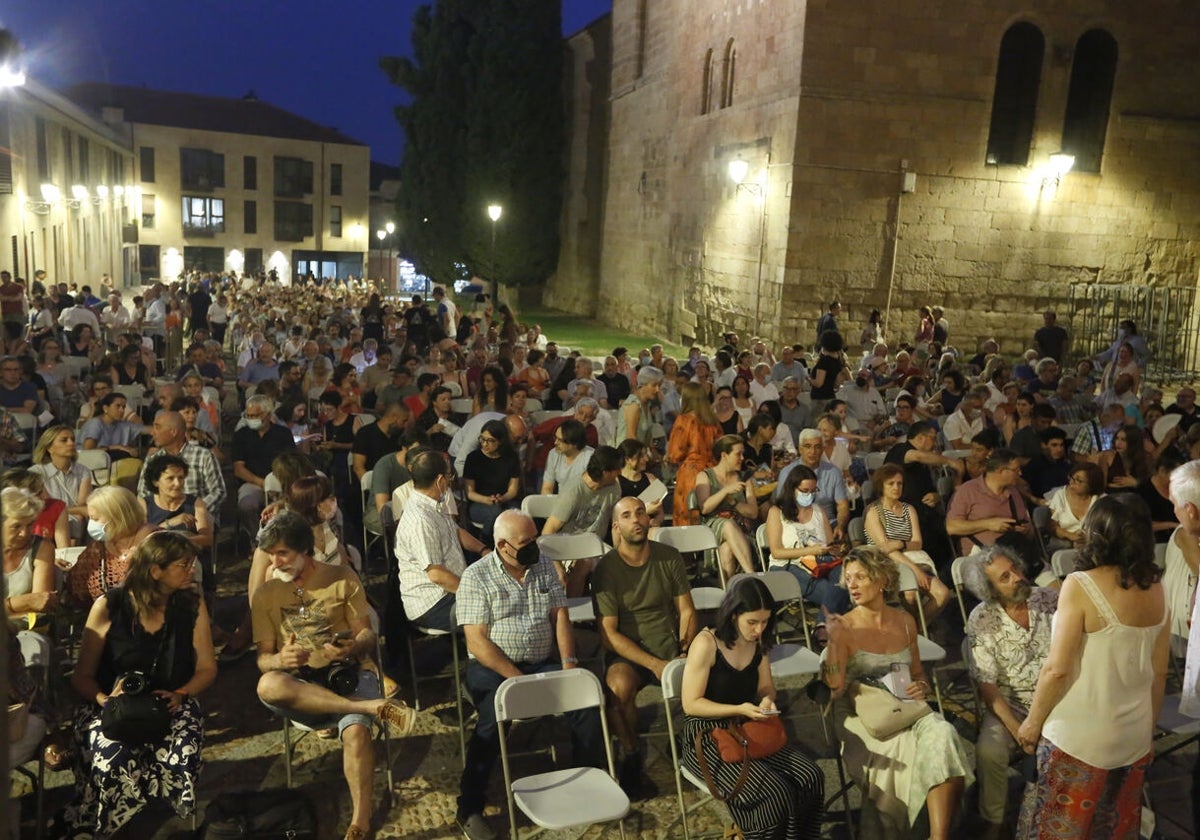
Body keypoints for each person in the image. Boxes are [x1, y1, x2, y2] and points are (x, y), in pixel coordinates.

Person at [251, 512, 417, 840]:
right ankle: (372, 707)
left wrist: (352, 645)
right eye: (270, 554)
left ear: (304, 550)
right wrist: (279, 659)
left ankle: (360, 822)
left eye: (282, 553)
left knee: (356, 733)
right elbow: (262, 660)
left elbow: (368, 636)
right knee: (267, 684)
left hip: (348, 673)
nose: (274, 561)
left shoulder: (341, 577)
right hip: (299, 685)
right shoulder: (266, 593)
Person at [1015, 494, 1169, 838]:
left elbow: (1057, 669)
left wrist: (1032, 722)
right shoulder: (1158, 589)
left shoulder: (1080, 585)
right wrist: (1148, 731)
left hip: (1078, 738)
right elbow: (1159, 674)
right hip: (1133, 735)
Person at [452, 509, 603, 840]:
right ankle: (470, 806)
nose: (534, 546)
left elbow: (559, 614)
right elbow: (477, 642)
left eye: (535, 538)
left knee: (586, 700)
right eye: (526, 542)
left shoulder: (543, 565)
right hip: (492, 668)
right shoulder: (476, 577)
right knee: (494, 714)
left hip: (539, 661)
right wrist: (515, 679)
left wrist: (568, 662)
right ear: (503, 546)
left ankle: (589, 778)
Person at [61, 532, 216, 837]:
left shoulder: (191, 606)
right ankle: (110, 823)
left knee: (182, 748)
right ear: (155, 570)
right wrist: (107, 700)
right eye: (183, 565)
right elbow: (81, 677)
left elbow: (208, 669)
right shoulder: (110, 605)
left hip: (169, 703)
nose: (191, 571)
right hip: (107, 706)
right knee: (111, 758)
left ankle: (174, 821)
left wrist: (181, 693)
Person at [821, 547, 972, 839]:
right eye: (848, 578)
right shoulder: (846, 626)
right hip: (861, 714)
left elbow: (917, 674)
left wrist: (923, 686)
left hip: (905, 704)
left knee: (944, 735)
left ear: (882, 581)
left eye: (860, 577)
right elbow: (833, 687)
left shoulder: (905, 621)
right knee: (913, 752)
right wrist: (834, 646)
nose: (851, 584)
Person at [680, 576, 825, 839]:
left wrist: (767, 699)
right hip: (707, 732)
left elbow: (766, 687)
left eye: (766, 621)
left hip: (747, 726)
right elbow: (691, 704)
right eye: (753, 622)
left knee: (810, 776)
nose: (759, 629)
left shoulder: (758, 642)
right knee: (774, 792)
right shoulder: (706, 644)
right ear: (734, 614)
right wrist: (740, 708)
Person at [593, 497, 697, 797]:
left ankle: (694, 741)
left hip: (670, 644)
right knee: (618, 688)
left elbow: (687, 611)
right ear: (616, 526)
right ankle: (631, 752)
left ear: (650, 520)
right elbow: (608, 634)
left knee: (714, 668)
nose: (636, 519)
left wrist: (686, 650)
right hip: (629, 651)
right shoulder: (606, 569)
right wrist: (654, 665)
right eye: (627, 516)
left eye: (641, 513)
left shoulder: (668, 556)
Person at [961, 547, 1058, 838]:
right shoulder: (981, 620)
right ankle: (994, 819)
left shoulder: (1050, 601)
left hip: (1056, 700)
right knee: (989, 751)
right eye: (1005, 577)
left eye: (1015, 569)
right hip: (1010, 704)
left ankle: (1060, 814)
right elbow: (988, 687)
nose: (1017, 577)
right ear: (990, 590)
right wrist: (1019, 731)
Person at [864, 464, 951, 622]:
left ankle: (915, 630)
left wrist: (901, 544)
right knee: (910, 594)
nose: (896, 487)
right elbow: (886, 549)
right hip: (888, 563)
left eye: (899, 483)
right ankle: (914, 633)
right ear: (881, 486)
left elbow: (917, 542)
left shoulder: (908, 509)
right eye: (891, 484)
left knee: (942, 594)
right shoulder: (873, 512)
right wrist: (915, 570)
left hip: (914, 558)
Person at [393, 450, 466, 633]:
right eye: (450, 476)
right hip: (433, 603)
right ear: (440, 480)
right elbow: (437, 575)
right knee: (494, 610)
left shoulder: (432, 503)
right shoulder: (421, 520)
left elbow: (455, 531)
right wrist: (474, 592)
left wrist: (483, 550)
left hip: (449, 590)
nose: (450, 481)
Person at [765, 464, 851, 616]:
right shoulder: (777, 512)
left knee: (847, 581)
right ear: (792, 489)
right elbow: (776, 552)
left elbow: (830, 546)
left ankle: (822, 631)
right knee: (833, 594)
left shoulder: (819, 511)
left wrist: (838, 549)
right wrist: (811, 550)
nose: (810, 495)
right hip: (788, 566)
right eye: (805, 491)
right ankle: (825, 632)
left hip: (822, 562)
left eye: (813, 491)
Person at [2, 487, 58, 667]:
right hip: (14, 623)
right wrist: (22, 602)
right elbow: (31, 601)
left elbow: (40, 603)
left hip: (25, 630)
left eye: (29, 525)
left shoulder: (41, 548)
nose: (24, 533)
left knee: (33, 650)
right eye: (16, 526)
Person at [946, 448, 1035, 560]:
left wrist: (1025, 529)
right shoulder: (967, 491)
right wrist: (988, 524)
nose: (1020, 473)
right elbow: (951, 527)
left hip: (1015, 552)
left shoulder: (1013, 492)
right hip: (981, 556)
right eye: (1016, 470)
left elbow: (1028, 526)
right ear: (1001, 471)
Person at [694, 434, 761, 578]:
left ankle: (729, 595)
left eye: (743, 454)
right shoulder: (705, 476)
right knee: (728, 525)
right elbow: (705, 508)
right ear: (724, 455)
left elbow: (754, 512)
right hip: (713, 530)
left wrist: (733, 502)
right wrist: (725, 491)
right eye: (738, 454)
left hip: (742, 531)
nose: (742, 458)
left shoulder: (745, 478)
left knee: (727, 549)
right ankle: (752, 577)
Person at [232, 394, 296, 536]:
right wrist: (262, 482)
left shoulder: (283, 434)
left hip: (281, 483)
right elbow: (238, 468)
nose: (251, 419)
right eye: (248, 416)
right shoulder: (241, 435)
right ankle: (257, 540)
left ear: (267, 415)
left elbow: (291, 463)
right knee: (246, 506)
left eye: (255, 415)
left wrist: (277, 483)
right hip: (252, 482)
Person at [462, 419, 523, 544]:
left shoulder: (511, 457)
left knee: (517, 515)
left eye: (490, 441)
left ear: (500, 441)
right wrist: (488, 500)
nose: (485, 444)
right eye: (482, 439)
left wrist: (502, 498)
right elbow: (470, 493)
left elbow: (513, 490)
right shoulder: (473, 458)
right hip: (479, 502)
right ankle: (485, 543)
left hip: (503, 500)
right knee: (495, 513)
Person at [30, 425, 92, 540]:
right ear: (49, 448)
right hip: (48, 525)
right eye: (64, 440)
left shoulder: (83, 471)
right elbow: (46, 507)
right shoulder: (35, 473)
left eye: (73, 439)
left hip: (77, 523)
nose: (71, 443)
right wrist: (73, 511)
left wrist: (67, 511)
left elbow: (83, 507)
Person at [139, 454, 213, 550]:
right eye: (170, 478)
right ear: (155, 482)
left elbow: (207, 539)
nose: (177, 484)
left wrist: (178, 542)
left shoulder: (196, 504)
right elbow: (140, 540)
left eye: (181, 478)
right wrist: (169, 524)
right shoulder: (144, 504)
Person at [1045, 462, 1104, 549]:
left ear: (1091, 485)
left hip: (1092, 543)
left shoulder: (1100, 500)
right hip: (1065, 543)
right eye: (1072, 478)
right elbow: (1052, 527)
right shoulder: (1060, 496)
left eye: (1079, 481)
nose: (1072, 482)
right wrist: (1070, 536)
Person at [540, 417, 594, 494]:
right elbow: (547, 488)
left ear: (574, 443)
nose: (555, 443)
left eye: (560, 440)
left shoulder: (590, 457)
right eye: (555, 437)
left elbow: (590, 491)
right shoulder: (553, 454)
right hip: (561, 500)